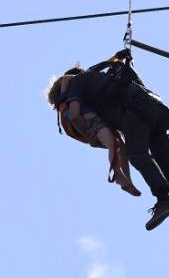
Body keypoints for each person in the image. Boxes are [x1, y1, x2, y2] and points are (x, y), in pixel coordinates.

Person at [49, 53, 169, 245]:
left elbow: (74, 115)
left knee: (138, 155)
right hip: (155, 108)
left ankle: (164, 199)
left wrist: (88, 136)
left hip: (135, 110)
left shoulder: (76, 85)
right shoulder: (100, 79)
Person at [49, 67, 141, 197]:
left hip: (86, 122)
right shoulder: (72, 88)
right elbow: (67, 79)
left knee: (121, 147)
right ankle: (119, 176)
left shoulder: (74, 99)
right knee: (113, 144)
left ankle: (128, 181)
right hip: (87, 119)